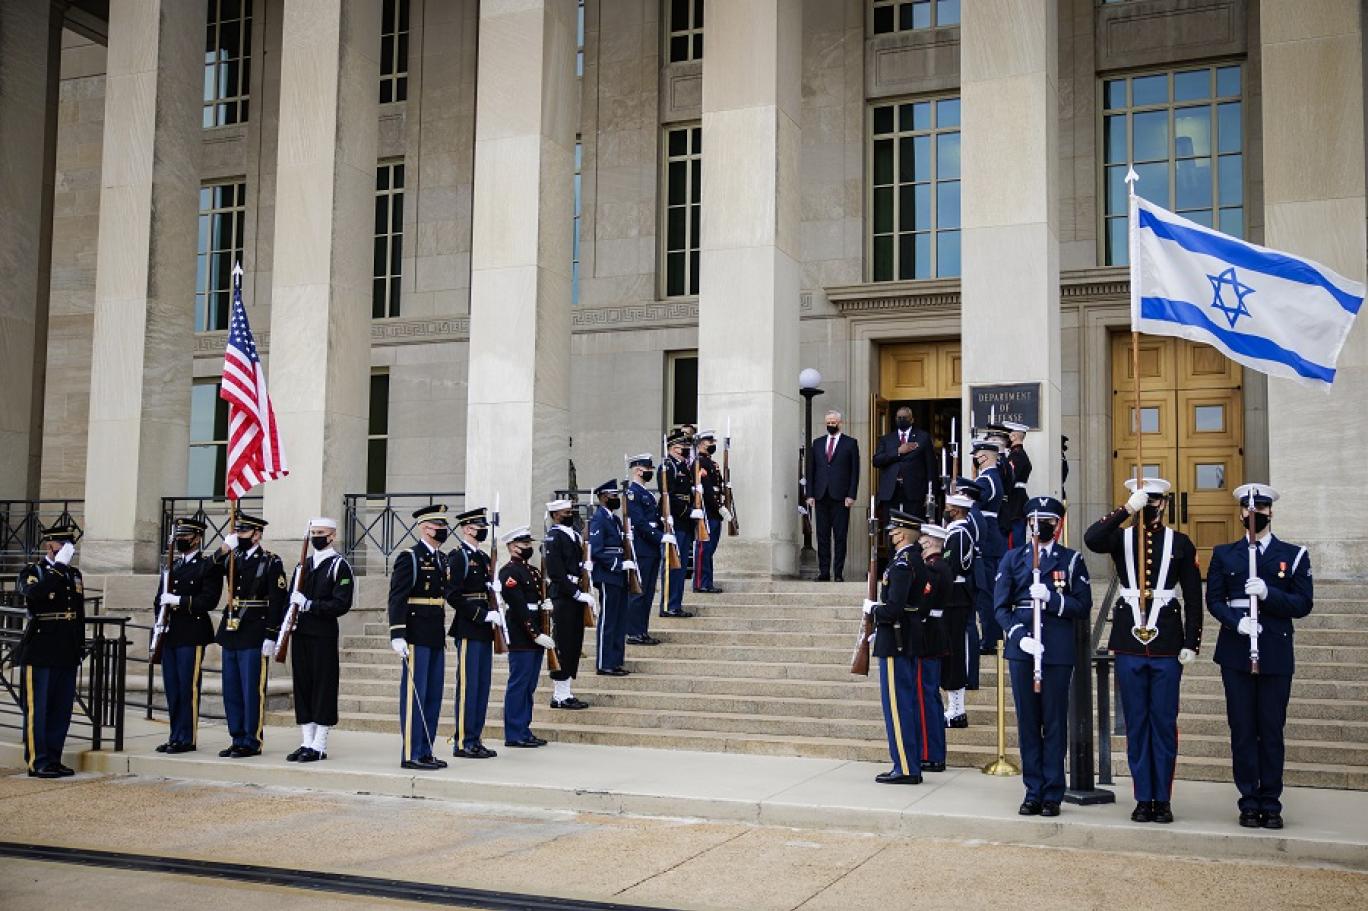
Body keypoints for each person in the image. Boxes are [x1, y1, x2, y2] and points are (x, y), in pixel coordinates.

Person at [1085, 478, 1202, 824]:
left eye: (1154, 500)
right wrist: (1126, 509)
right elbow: (1092, 538)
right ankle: (1142, 797)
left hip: (1166, 644)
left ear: (1165, 503)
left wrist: (1191, 642)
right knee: (1136, 724)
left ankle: (1162, 799)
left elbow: (1193, 598)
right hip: (1130, 643)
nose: (1151, 505)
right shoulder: (1121, 539)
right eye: (1144, 500)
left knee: (1163, 724)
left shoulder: (1180, 543)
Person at [1206, 483, 1312, 830]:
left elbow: (1302, 604)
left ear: (1270, 512)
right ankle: (1248, 801)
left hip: (1275, 651)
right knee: (1242, 730)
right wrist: (1238, 624)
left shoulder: (1293, 554)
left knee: (1270, 730)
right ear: (1240, 513)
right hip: (1237, 652)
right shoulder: (1225, 554)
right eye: (1249, 510)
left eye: (1261, 509)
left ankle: (1271, 801)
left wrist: (1268, 594)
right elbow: (1215, 601)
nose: (1254, 515)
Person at [993, 496, 1092, 817]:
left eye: (1049, 520)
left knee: (1053, 722)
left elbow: (1082, 605)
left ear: (1057, 524)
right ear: (1028, 523)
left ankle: (1052, 792)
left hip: (1057, 650)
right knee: (1028, 723)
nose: (1042, 526)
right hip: (1023, 650)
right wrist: (1019, 636)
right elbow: (999, 607)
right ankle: (1032, 791)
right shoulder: (1013, 559)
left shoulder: (1072, 560)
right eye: (1036, 520)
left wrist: (1051, 599)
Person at [388, 505, 461, 771]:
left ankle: (426, 749)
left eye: (443, 526)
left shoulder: (442, 559)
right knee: (414, 696)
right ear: (423, 528)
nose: (441, 530)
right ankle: (411, 753)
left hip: (435, 634)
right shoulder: (410, 557)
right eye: (435, 526)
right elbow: (397, 597)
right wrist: (397, 633)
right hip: (416, 634)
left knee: (432, 695)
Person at [212, 512, 287, 758]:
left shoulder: (271, 561)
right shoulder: (231, 558)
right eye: (237, 532)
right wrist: (223, 549)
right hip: (231, 631)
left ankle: (251, 740)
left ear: (256, 535)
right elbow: (206, 571)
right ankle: (236, 736)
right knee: (231, 688)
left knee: (251, 689)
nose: (238, 536)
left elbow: (277, 602)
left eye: (243, 532)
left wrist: (271, 635)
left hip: (255, 631)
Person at [14, 520, 85, 778]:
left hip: (66, 647)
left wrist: (79, 645)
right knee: (38, 708)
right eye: (61, 543)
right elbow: (34, 595)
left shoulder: (73, 574)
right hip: (41, 647)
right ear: (49, 544)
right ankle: (38, 760)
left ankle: (53, 757)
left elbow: (78, 612)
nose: (65, 548)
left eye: (68, 544)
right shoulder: (35, 571)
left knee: (61, 708)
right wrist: (57, 569)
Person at [865, 509, 926, 784]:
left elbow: (894, 608)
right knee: (905, 704)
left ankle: (905, 766)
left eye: (892, 531)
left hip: (896, 639)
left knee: (897, 706)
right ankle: (908, 763)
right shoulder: (915, 559)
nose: (890, 535)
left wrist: (874, 610)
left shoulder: (903, 564)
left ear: (901, 534)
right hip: (906, 637)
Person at [285, 517, 354, 763]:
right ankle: (306, 741)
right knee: (303, 686)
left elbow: (341, 603)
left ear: (332, 536)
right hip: (300, 633)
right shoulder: (303, 565)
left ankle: (320, 744)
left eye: (321, 532)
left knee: (324, 686)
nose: (316, 536)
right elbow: (290, 599)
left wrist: (310, 605)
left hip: (323, 634)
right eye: (313, 532)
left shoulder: (339, 566)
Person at [152, 516, 222, 754]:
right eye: (178, 537)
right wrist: (159, 623)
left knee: (187, 687)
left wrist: (179, 601)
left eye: (185, 537)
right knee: (172, 687)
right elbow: (159, 599)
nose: (181, 540)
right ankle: (175, 734)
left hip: (192, 633)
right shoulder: (173, 566)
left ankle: (187, 737)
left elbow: (208, 601)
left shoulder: (207, 567)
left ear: (197, 539)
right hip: (170, 634)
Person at [447, 507, 501, 758]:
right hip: (469, 626)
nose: (482, 531)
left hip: (484, 628)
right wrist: (481, 614)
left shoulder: (481, 557)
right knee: (468, 686)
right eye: (479, 527)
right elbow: (453, 595)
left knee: (482, 685)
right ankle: (463, 741)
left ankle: (475, 738)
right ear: (467, 529)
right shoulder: (458, 557)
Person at [498, 526, 556, 748]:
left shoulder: (532, 571)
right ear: (513, 547)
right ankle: (514, 733)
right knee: (519, 684)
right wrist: (536, 634)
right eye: (524, 545)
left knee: (529, 685)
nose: (528, 548)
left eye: (530, 544)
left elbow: (537, 598)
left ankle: (524, 728)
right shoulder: (509, 572)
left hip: (535, 632)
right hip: (522, 635)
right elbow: (519, 608)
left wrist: (546, 603)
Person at [543, 498, 595, 708]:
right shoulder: (554, 537)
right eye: (566, 512)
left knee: (574, 645)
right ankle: (559, 695)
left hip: (573, 594)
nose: (570, 514)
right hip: (564, 596)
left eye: (571, 511)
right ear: (555, 515)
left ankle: (566, 692)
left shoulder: (572, 535)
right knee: (563, 644)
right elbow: (556, 572)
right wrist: (576, 593)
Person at [914, 523, 952, 772]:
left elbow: (923, 603)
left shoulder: (934, 569)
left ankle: (930, 753)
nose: (920, 545)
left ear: (929, 543)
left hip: (928, 635)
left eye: (923, 541)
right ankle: (933, 751)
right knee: (930, 697)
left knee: (926, 697)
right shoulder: (941, 566)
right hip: (934, 634)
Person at [806, 409, 860, 582]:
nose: (830, 424)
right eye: (828, 422)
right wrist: (810, 494)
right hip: (821, 496)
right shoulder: (818, 443)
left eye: (833, 422)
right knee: (822, 536)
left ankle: (838, 573)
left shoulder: (850, 443)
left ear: (840, 423)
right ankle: (824, 572)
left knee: (840, 536)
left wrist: (851, 495)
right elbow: (811, 470)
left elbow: (855, 472)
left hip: (841, 497)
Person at [941, 489, 980, 724]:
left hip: (956, 596)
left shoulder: (960, 534)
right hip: (952, 596)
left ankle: (957, 709)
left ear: (955, 510)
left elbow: (952, 565)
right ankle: (953, 707)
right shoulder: (956, 533)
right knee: (949, 652)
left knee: (955, 652)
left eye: (948, 508)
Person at [590, 480, 633, 675]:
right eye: (613, 496)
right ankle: (604, 662)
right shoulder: (599, 518)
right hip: (608, 574)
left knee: (619, 619)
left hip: (620, 574)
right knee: (608, 620)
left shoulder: (615, 520)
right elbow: (596, 551)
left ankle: (615, 660)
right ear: (603, 497)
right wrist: (618, 564)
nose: (616, 499)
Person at [969, 440, 1007, 653]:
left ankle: (991, 639)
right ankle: (992, 637)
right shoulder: (990, 477)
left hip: (987, 543)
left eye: (978, 455)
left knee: (986, 594)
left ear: (985, 456)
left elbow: (977, 504)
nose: (976, 459)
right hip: (991, 541)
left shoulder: (988, 479)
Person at [624, 455, 665, 645]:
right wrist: (659, 536)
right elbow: (639, 522)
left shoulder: (646, 494)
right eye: (647, 469)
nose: (649, 472)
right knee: (638, 592)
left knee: (647, 593)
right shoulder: (632, 493)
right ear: (638, 470)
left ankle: (642, 630)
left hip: (651, 548)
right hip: (641, 548)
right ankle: (633, 632)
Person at [872, 406, 939, 519]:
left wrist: (931, 493)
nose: (902, 420)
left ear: (912, 419)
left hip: (914, 491)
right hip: (891, 491)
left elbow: (931, 466)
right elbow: (876, 460)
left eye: (905, 417)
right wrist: (898, 451)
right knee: (891, 529)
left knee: (913, 526)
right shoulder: (887, 439)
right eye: (899, 418)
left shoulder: (923, 437)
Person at [659, 431, 696, 618]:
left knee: (680, 567)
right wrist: (687, 512)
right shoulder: (667, 467)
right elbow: (669, 496)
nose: (686, 450)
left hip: (684, 522)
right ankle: (668, 605)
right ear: (674, 447)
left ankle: (676, 603)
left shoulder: (682, 466)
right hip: (675, 520)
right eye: (683, 447)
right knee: (672, 565)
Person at [693, 430, 729, 593]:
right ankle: (701, 582)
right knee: (704, 548)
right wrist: (718, 506)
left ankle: (707, 582)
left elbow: (717, 486)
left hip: (715, 509)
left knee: (710, 548)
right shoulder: (699, 462)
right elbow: (706, 488)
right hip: (707, 509)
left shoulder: (711, 463)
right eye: (709, 442)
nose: (712, 444)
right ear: (701, 443)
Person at [1001, 421, 1032, 546]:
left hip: (1015, 501)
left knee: (1015, 539)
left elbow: (1009, 479)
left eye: (1008, 435)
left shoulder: (1016, 456)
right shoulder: (1016, 454)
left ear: (1013, 436)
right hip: (1016, 499)